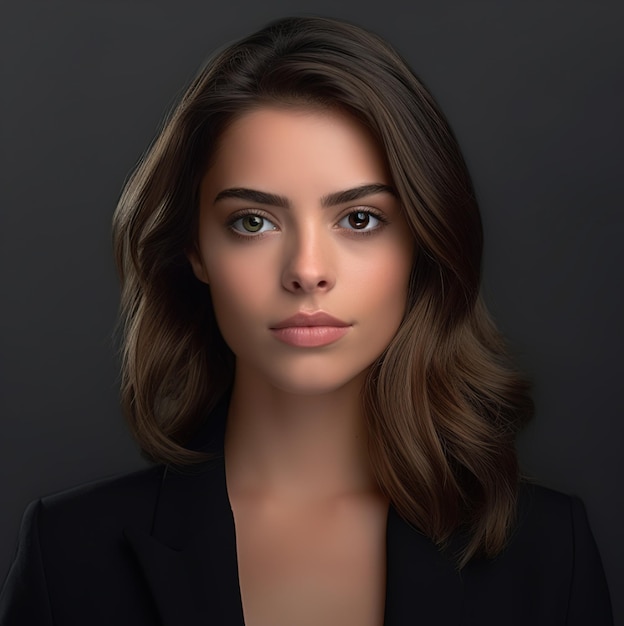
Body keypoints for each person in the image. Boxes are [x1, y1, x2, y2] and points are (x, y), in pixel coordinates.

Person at [0, 15, 613, 626]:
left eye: (360, 219)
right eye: (253, 222)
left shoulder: (548, 554)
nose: (308, 271)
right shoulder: (70, 557)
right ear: (196, 250)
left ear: (422, 245)